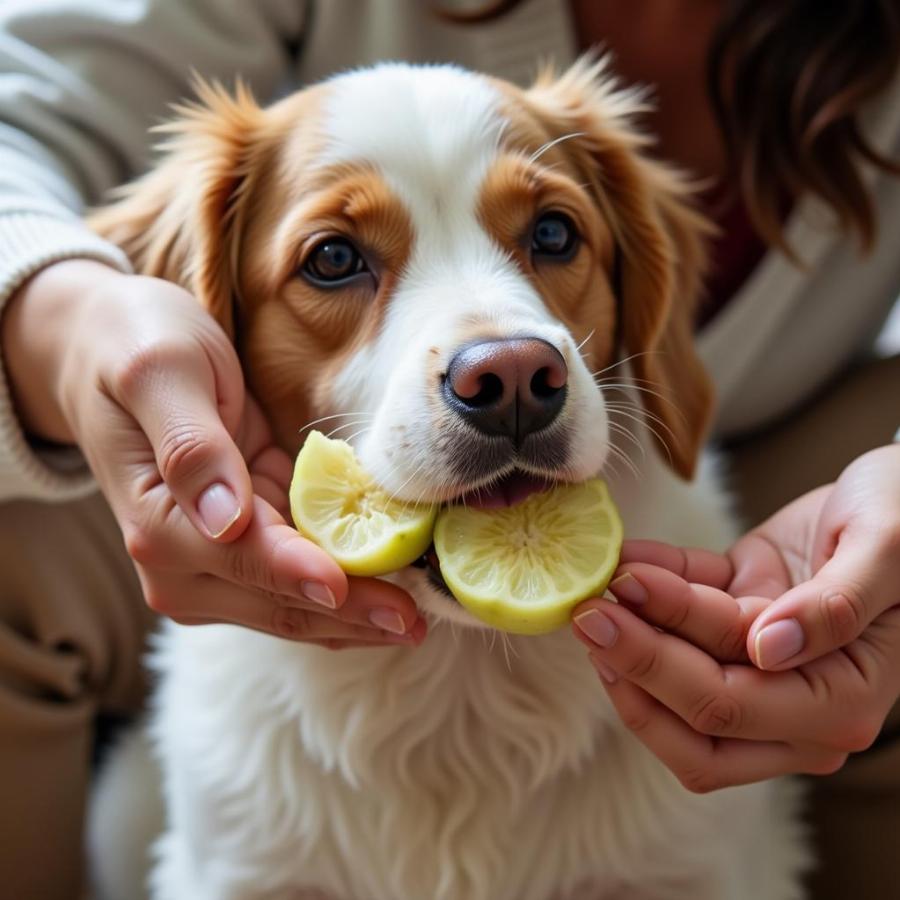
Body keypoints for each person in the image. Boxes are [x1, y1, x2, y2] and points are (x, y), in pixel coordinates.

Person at [0, 1, 897, 897]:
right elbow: (19, 110)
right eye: (335, 259)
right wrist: (76, 325)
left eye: (551, 236)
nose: (500, 356)